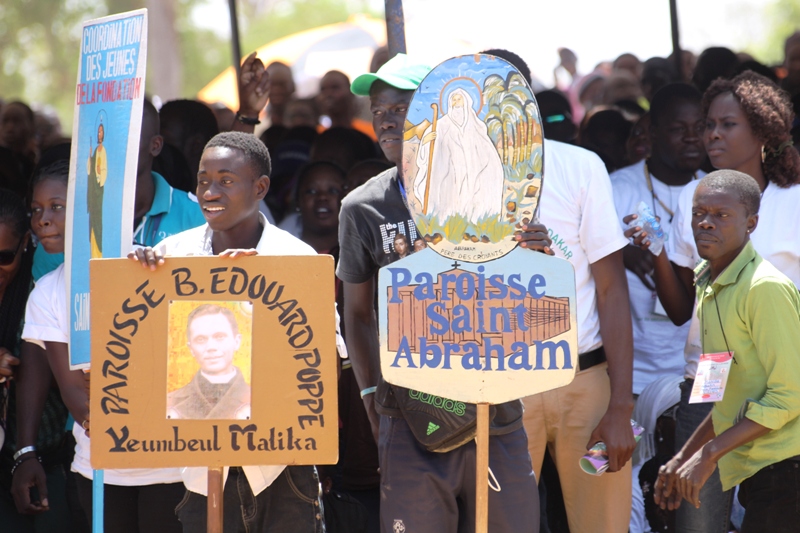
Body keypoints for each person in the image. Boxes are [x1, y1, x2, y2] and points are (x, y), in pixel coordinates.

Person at [339, 53, 543, 533]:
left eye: (401, 108)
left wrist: (536, 256)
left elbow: (523, 299)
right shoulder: (362, 208)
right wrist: (371, 398)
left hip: (495, 409)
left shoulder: (490, 194)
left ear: (432, 111)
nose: (387, 121)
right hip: (409, 415)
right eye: (379, 111)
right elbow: (358, 314)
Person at [623, 70, 800, 533]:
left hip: (779, 379)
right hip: (711, 371)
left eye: (728, 124)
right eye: (709, 125)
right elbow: (683, 310)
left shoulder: (794, 200)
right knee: (696, 516)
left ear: (764, 130)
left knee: (776, 510)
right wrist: (659, 252)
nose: (713, 134)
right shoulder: (693, 199)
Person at [130, 131, 324, 533]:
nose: (209, 191)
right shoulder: (170, 259)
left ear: (261, 188)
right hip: (202, 476)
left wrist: (252, 288)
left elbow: (322, 359)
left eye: (226, 180)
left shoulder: (297, 261)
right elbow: (144, 359)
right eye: (203, 180)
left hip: (282, 470)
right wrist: (137, 281)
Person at [487, 47, 636, 533]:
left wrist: (620, 407)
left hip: (585, 382)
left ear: (527, 99)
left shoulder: (579, 167)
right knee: (501, 524)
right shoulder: (448, 184)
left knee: (603, 525)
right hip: (501, 385)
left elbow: (613, 289)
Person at [652, 170, 800, 533]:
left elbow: (789, 397)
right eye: (699, 212)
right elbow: (717, 383)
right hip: (757, 466)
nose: (705, 223)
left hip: (788, 464)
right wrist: (683, 456)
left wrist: (708, 454)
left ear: (751, 224)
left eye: (721, 215)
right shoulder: (707, 279)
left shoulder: (764, 289)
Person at [611, 83, 706, 396]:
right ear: (652, 133)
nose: (692, 137)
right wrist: (620, 252)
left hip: (697, 371)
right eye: (679, 129)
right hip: (632, 375)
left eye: (700, 127)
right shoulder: (616, 188)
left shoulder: (719, 193)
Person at [0, 185, 75, 533]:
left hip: (46, 457)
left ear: (25, 243)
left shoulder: (43, 290)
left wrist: (26, 455)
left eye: (4, 257)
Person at [413, 88, 505, 223]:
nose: (456, 103)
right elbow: (428, 147)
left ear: (466, 101)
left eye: (459, 99)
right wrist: (426, 142)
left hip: (473, 170)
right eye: (454, 100)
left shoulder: (476, 125)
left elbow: (487, 150)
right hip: (450, 173)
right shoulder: (441, 124)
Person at [167, 304, 251, 420]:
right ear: (191, 348)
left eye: (220, 337)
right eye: (200, 339)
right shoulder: (169, 403)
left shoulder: (260, 400)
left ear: (236, 342)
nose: (211, 347)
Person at [318, 70, 377, 141]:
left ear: (350, 92)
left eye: (335, 87)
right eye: (323, 89)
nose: (328, 94)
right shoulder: (318, 136)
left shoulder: (370, 134)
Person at [86, 120, 107, 258]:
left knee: (98, 226)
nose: (99, 134)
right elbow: (89, 171)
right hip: (92, 191)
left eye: (101, 132)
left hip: (99, 191)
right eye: (98, 132)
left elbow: (104, 171)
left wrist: (99, 173)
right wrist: (89, 158)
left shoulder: (103, 151)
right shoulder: (94, 151)